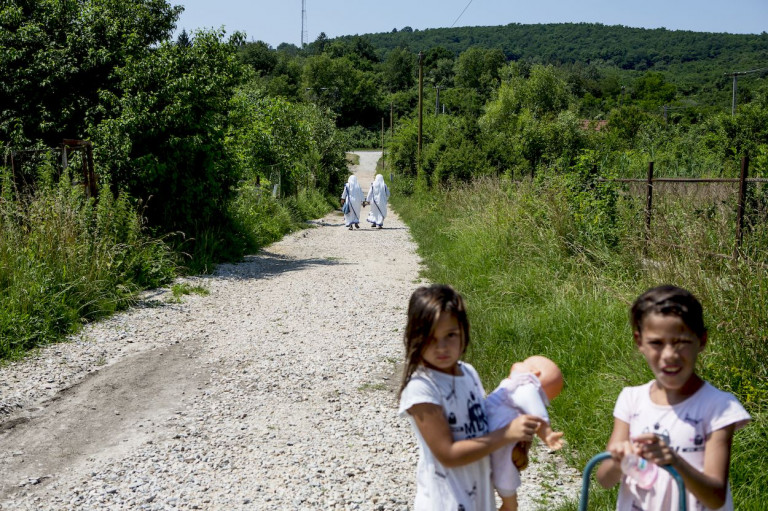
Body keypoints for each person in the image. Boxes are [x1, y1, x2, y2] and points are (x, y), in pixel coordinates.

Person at [595, 285, 751, 510]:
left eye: (681, 342)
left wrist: (674, 461)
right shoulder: (631, 400)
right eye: (657, 343)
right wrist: (619, 460)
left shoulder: (719, 407)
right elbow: (604, 479)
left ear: (702, 341)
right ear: (640, 342)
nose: (669, 355)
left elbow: (716, 497)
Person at [398, 284, 544, 511]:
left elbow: (486, 429)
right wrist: (507, 434)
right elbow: (448, 455)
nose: (442, 347)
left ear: (464, 331)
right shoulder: (421, 388)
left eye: (451, 335)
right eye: (431, 338)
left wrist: (519, 443)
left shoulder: (468, 373)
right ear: (416, 337)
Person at [486, 355, 565, 511]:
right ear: (534, 373)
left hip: (492, 436)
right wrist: (547, 432)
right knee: (509, 499)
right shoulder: (525, 384)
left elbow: (532, 407)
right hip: (502, 442)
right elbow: (535, 411)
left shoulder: (515, 385)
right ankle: (509, 503)